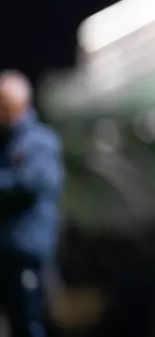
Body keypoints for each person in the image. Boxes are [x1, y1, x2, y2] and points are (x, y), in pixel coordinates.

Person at [0, 70, 64, 337]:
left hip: (25, 253)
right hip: (6, 252)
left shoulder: (39, 143)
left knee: (27, 322)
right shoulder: (6, 143)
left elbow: (30, 185)